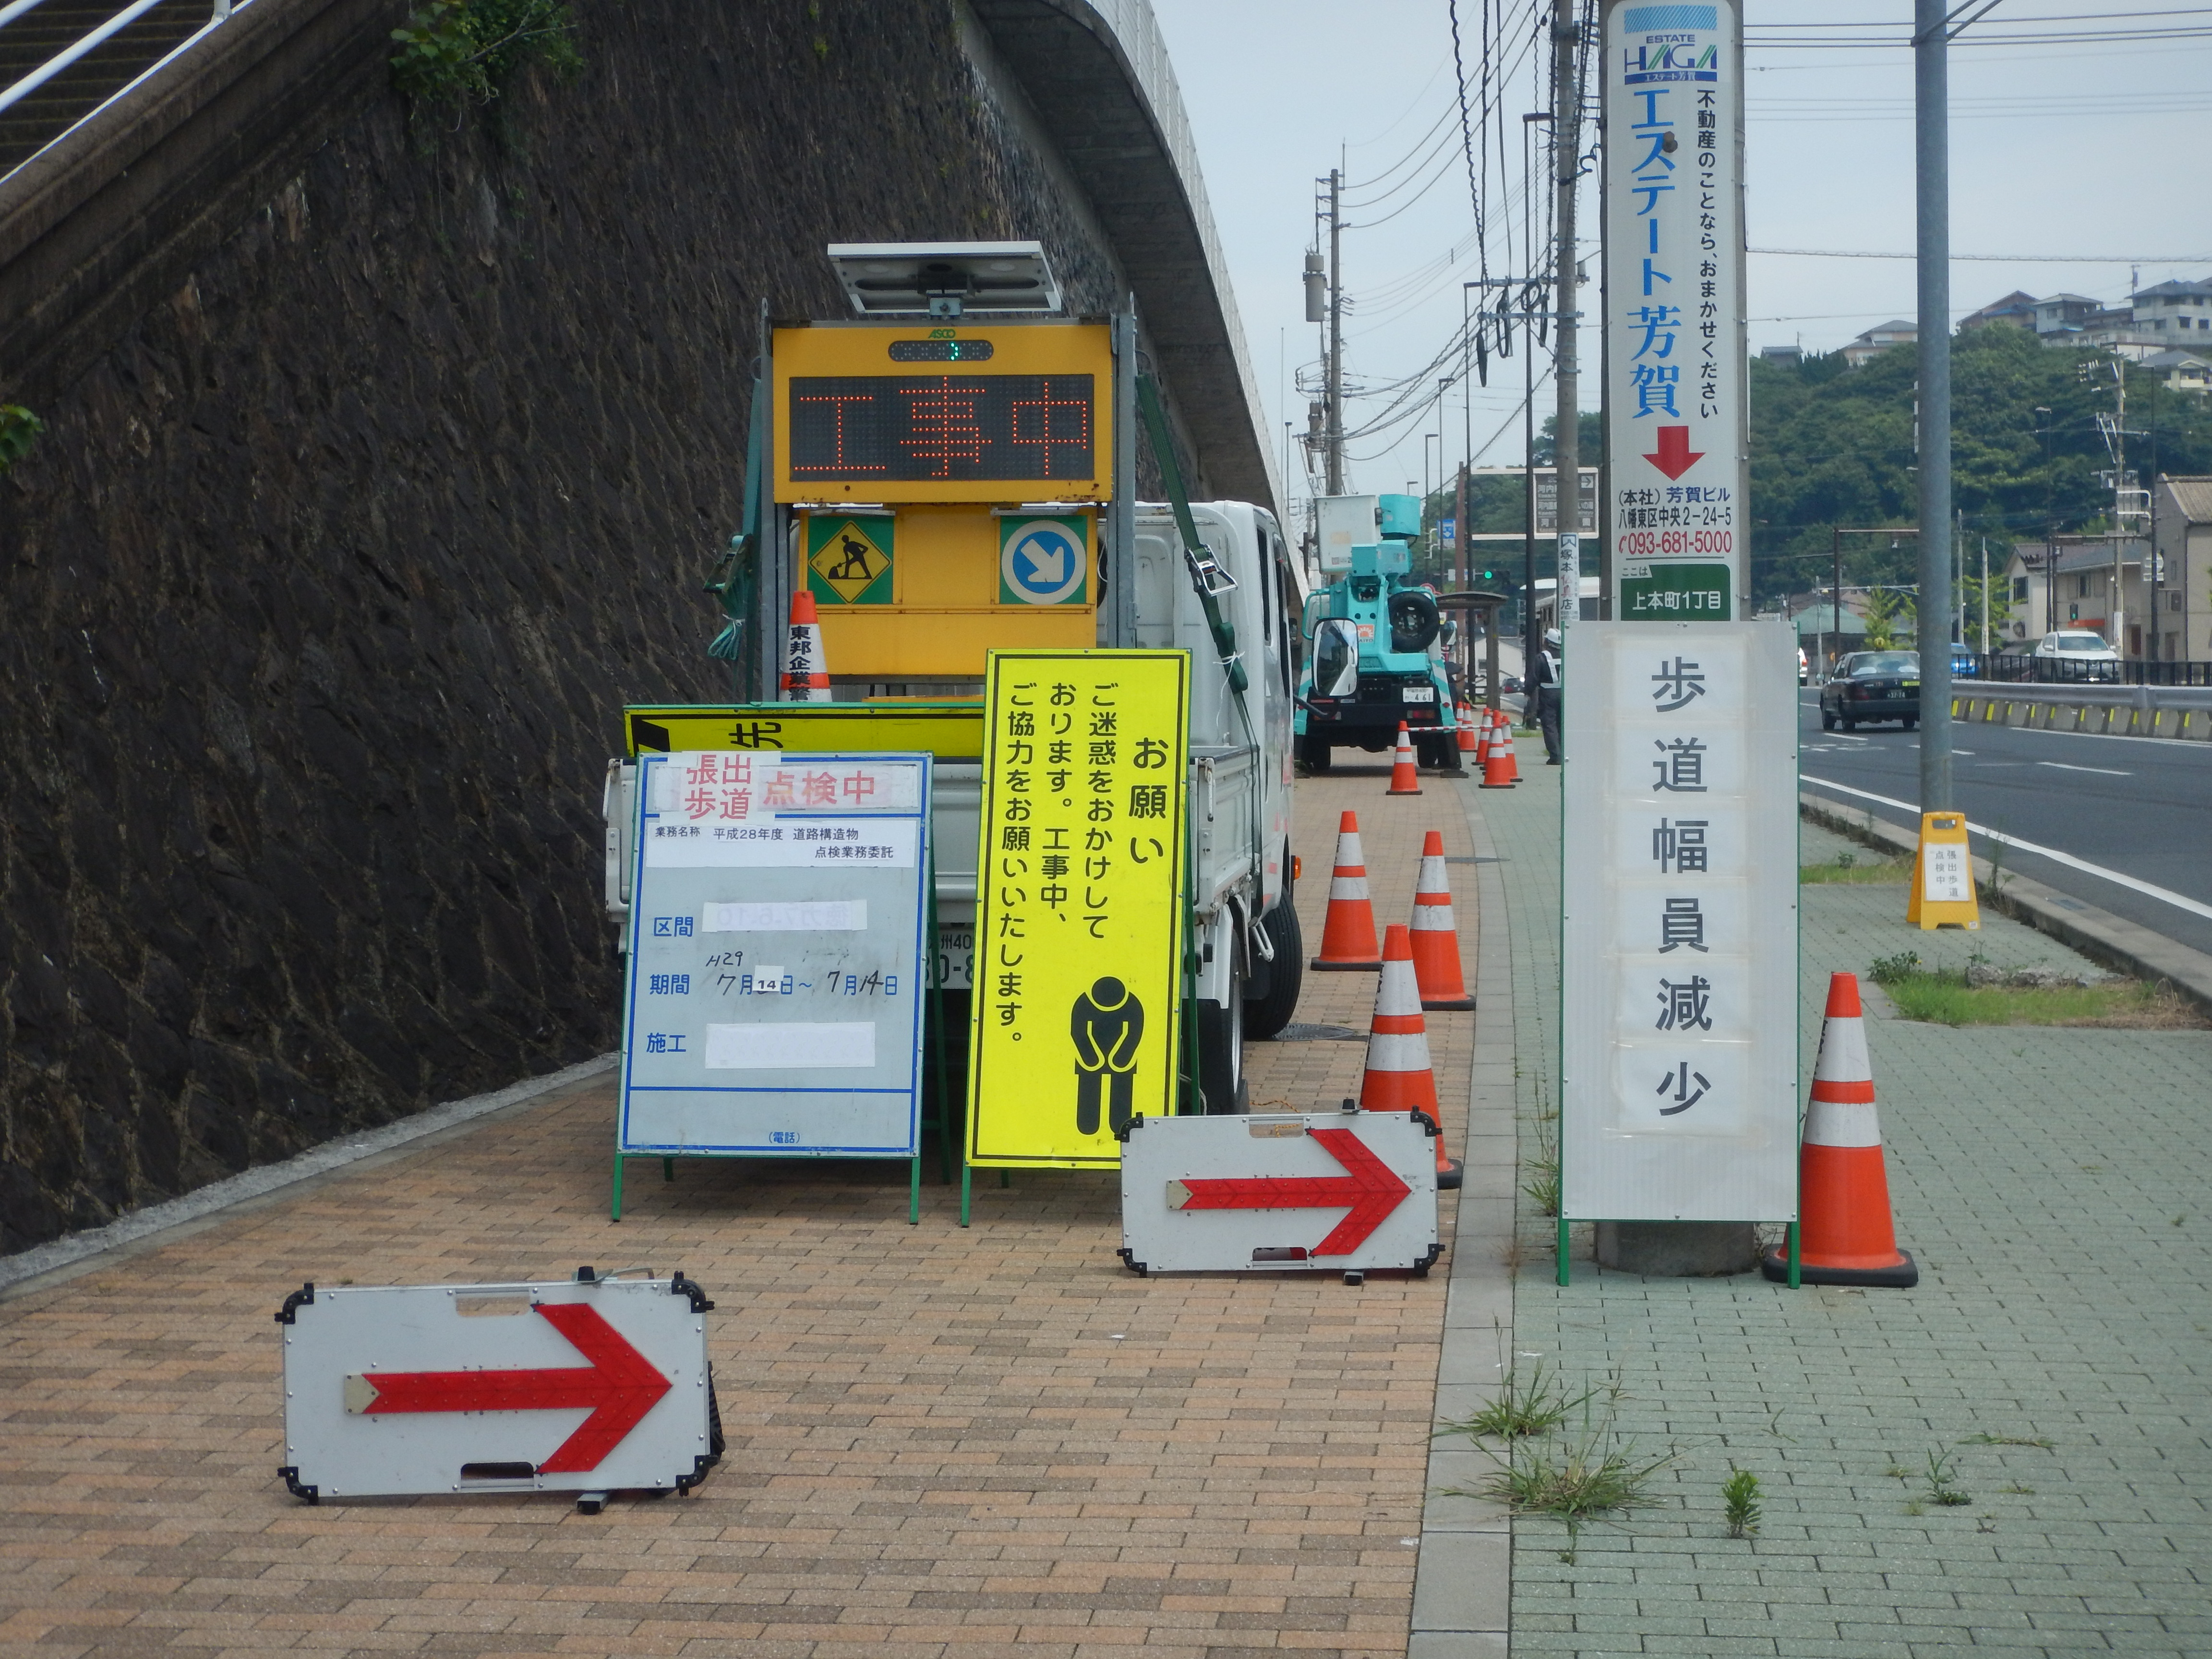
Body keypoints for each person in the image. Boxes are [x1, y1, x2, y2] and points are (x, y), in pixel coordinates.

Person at [1534, 627, 1563, 765]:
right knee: (1563, 724)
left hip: (1548, 694)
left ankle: (1556, 756)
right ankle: (1565, 755)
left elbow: (1534, 678)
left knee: (1549, 724)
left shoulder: (1542, 657)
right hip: (1565, 693)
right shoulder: (1567, 654)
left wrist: (1528, 692)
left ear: (1547, 641)